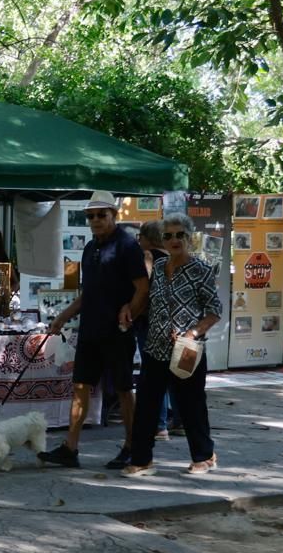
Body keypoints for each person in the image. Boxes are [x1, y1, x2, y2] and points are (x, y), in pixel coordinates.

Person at [38, 191, 148, 469]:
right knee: (80, 387)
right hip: (90, 329)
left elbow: (142, 288)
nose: (96, 220)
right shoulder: (90, 248)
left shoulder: (127, 245)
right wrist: (62, 316)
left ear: (114, 214)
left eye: (102, 215)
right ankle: (70, 448)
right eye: (91, 216)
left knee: (123, 389)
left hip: (117, 331)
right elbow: (88, 293)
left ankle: (133, 446)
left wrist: (129, 314)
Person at [121, 212, 222, 477]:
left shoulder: (201, 269)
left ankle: (204, 456)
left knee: (191, 405)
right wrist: (129, 310)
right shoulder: (159, 267)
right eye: (168, 235)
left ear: (189, 238)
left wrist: (193, 333)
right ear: (162, 240)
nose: (174, 240)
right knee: (146, 404)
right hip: (155, 347)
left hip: (186, 349)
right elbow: (147, 302)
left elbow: (214, 310)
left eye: (180, 235)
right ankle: (142, 460)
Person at [133, 221, 174, 446]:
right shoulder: (174, 257)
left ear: (148, 237)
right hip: (173, 321)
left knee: (152, 372)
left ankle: (159, 425)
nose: (138, 240)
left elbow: (143, 289)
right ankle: (177, 419)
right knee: (172, 370)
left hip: (150, 320)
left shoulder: (148, 256)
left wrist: (131, 310)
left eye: (140, 236)